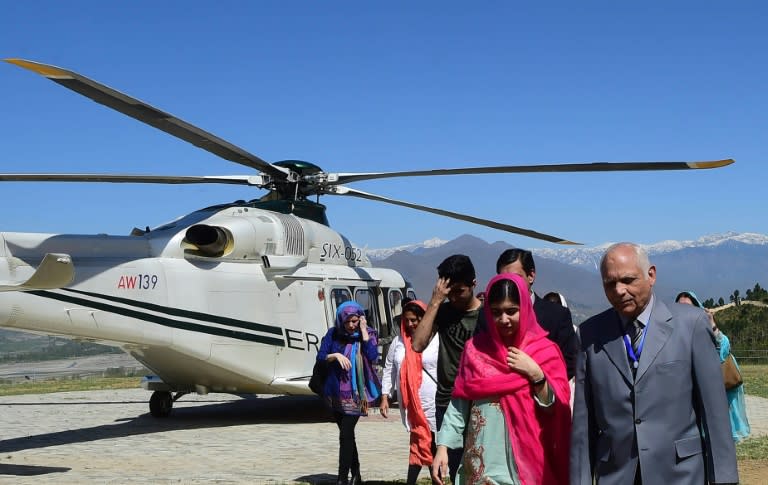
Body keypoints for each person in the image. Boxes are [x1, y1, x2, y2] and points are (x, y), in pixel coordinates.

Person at [571, 243, 738, 485]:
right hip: (616, 476)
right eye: (610, 283)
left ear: (651, 275)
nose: (619, 290)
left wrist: (725, 480)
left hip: (681, 475)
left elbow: (715, 415)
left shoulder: (690, 325)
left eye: (628, 280)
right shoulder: (589, 334)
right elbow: (583, 427)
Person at [431, 273, 571, 484]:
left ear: (524, 309)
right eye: (496, 312)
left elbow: (556, 408)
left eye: (511, 311)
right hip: (481, 464)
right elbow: (459, 404)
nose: (503, 320)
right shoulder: (475, 350)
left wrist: (536, 374)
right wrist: (443, 447)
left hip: (529, 466)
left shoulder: (544, 352)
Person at [412, 254, 484, 483]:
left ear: (474, 283)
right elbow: (417, 343)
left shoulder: (488, 316)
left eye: (459, 291)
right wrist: (435, 302)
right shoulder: (444, 312)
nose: (453, 298)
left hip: (479, 401)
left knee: (479, 467)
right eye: (449, 292)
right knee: (451, 468)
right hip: (447, 401)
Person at [317, 301, 381, 485]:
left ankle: (342, 478)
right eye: (348, 322)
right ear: (341, 320)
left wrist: (363, 332)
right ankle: (357, 475)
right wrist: (335, 355)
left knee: (345, 433)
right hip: (335, 392)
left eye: (355, 321)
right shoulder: (333, 334)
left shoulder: (366, 334)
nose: (351, 325)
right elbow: (321, 356)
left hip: (358, 395)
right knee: (347, 436)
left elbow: (372, 356)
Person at [675, 290, 751, 442]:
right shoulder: (673, 332)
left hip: (710, 392)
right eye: (679, 308)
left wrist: (712, 324)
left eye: (689, 308)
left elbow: (723, 348)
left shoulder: (707, 329)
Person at [380, 300, 440, 485]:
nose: (411, 324)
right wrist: (385, 396)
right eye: (407, 320)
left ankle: (424, 479)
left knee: (425, 439)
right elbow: (389, 368)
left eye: (415, 319)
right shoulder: (398, 342)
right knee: (423, 439)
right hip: (410, 403)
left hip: (432, 401)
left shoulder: (436, 339)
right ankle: (434, 479)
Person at [496, 248, 579, 381]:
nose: (509, 284)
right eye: (503, 279)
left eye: (516, 277)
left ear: (531, 276)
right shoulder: (487, 317)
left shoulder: (556, 316)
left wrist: (537, 382)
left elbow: (569, 364)